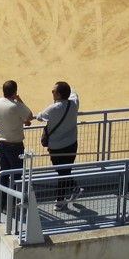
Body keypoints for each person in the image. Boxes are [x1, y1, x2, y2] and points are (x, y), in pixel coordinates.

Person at [36, 81, 81, 212]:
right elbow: (74, 93)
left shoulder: (53, 108)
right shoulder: (74, 103)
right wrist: (68, 89)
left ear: (59, 94)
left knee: (62, 173)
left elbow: (39, 117)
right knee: (65, 171)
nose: (52, 93)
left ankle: (61, 200)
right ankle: (72, 189)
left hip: (56, 148)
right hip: (72, 144)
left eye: (53, 91)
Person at [0, 80, 33, 209]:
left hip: (1, 143)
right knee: (17, 176)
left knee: (3, 174)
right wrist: (20, 101)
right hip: (15, 145)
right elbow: (30, 116)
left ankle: (1, 204)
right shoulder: (16, 106)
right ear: (15, 92)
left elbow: (10, 116)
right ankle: (13, 205)